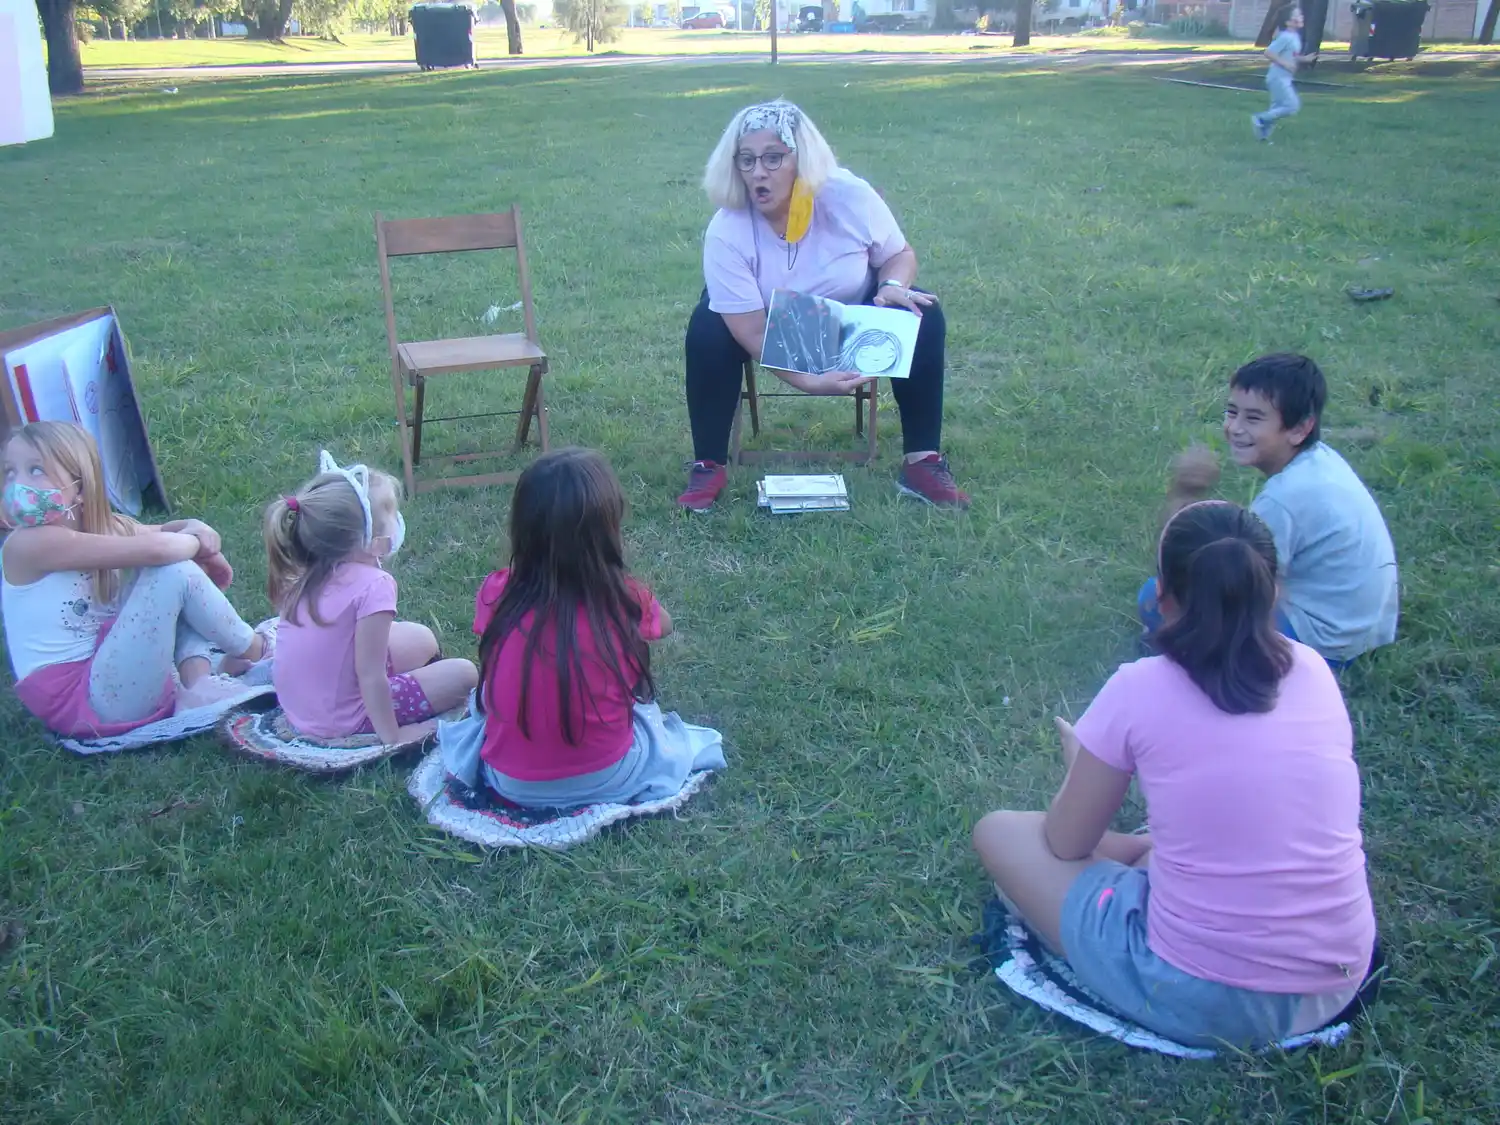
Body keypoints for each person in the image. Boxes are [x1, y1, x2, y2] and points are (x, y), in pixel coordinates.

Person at [974, 501, 1377, 1050]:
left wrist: (1079, 766)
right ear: (1273, 591)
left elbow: (1065, 843)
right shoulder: (1312, 670)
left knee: (1001, 832)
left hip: (1211, 1000)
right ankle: (1146, 854)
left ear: (1159, 599)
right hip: (1337, 977)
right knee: (1176, 848)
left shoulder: (1141, 687)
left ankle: (1141, 865)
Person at [679, 99, 968, 512]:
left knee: (923, 313)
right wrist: (810, 381)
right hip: (772, 328)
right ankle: (708, 463)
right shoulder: (727, 229)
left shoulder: (848, 196)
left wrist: (890, 284)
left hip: (850, 322)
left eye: (773, 158)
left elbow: (900, 254)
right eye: (746, 160)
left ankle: (922, 462)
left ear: (803, 159)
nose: (757, 172)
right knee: (708, 326)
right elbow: (754, 333)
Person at [440, 447, 725, 807]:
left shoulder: (498, 591)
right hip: (609, 775)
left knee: (482, 711)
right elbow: (664, 626)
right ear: (607, 531)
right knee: (672, 735)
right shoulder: (623, 597)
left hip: (508, 782)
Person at [1, 421, 269, 737]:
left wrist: (198, 528)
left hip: (109, 679)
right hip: (85, 703)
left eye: (35, 470)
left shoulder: (101, 526)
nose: (18, 484)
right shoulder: (27, 544)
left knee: (165, 571)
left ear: (80, 486)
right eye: (9, 472)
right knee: (171, 570)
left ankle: (198, 682)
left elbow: (168, 532)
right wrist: (202, 546)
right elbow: (164, 549)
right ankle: (258, 652)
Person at [1140, 353, 1398, 665]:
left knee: (1157, 597)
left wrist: (1185, 494)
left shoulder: (1284, 499)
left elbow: (1208, 575)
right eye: (1232, 412)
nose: (1234, 428)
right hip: (1360, 629)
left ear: (1300, 429)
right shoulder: (1320, 461)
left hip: (1323, 644)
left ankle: (1196, 664)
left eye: (1253, 418)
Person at [265, 451, 476, 743]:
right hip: (345, 720)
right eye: (391, 516)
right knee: (464, 674)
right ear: (370, 539)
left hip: (303, 708)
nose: (398, 521)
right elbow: (370, 675)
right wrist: (393, 736)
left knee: (422, 637)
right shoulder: (375, 585)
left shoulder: (310, 568)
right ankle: (386, 726)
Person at [1253, 7, 1316, 143]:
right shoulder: (1286, 37)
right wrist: (1285, 64)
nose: (1301, 17)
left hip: (1283, 78)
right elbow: (1269, 52)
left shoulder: (1294, 37)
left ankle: (1262, 137)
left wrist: (1304, 59)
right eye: (1297, 15)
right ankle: (1260, 118)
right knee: (1292, 106)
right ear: (1288, 22)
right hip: (1278, 78)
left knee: (1276, 109)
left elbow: (1291, 55)